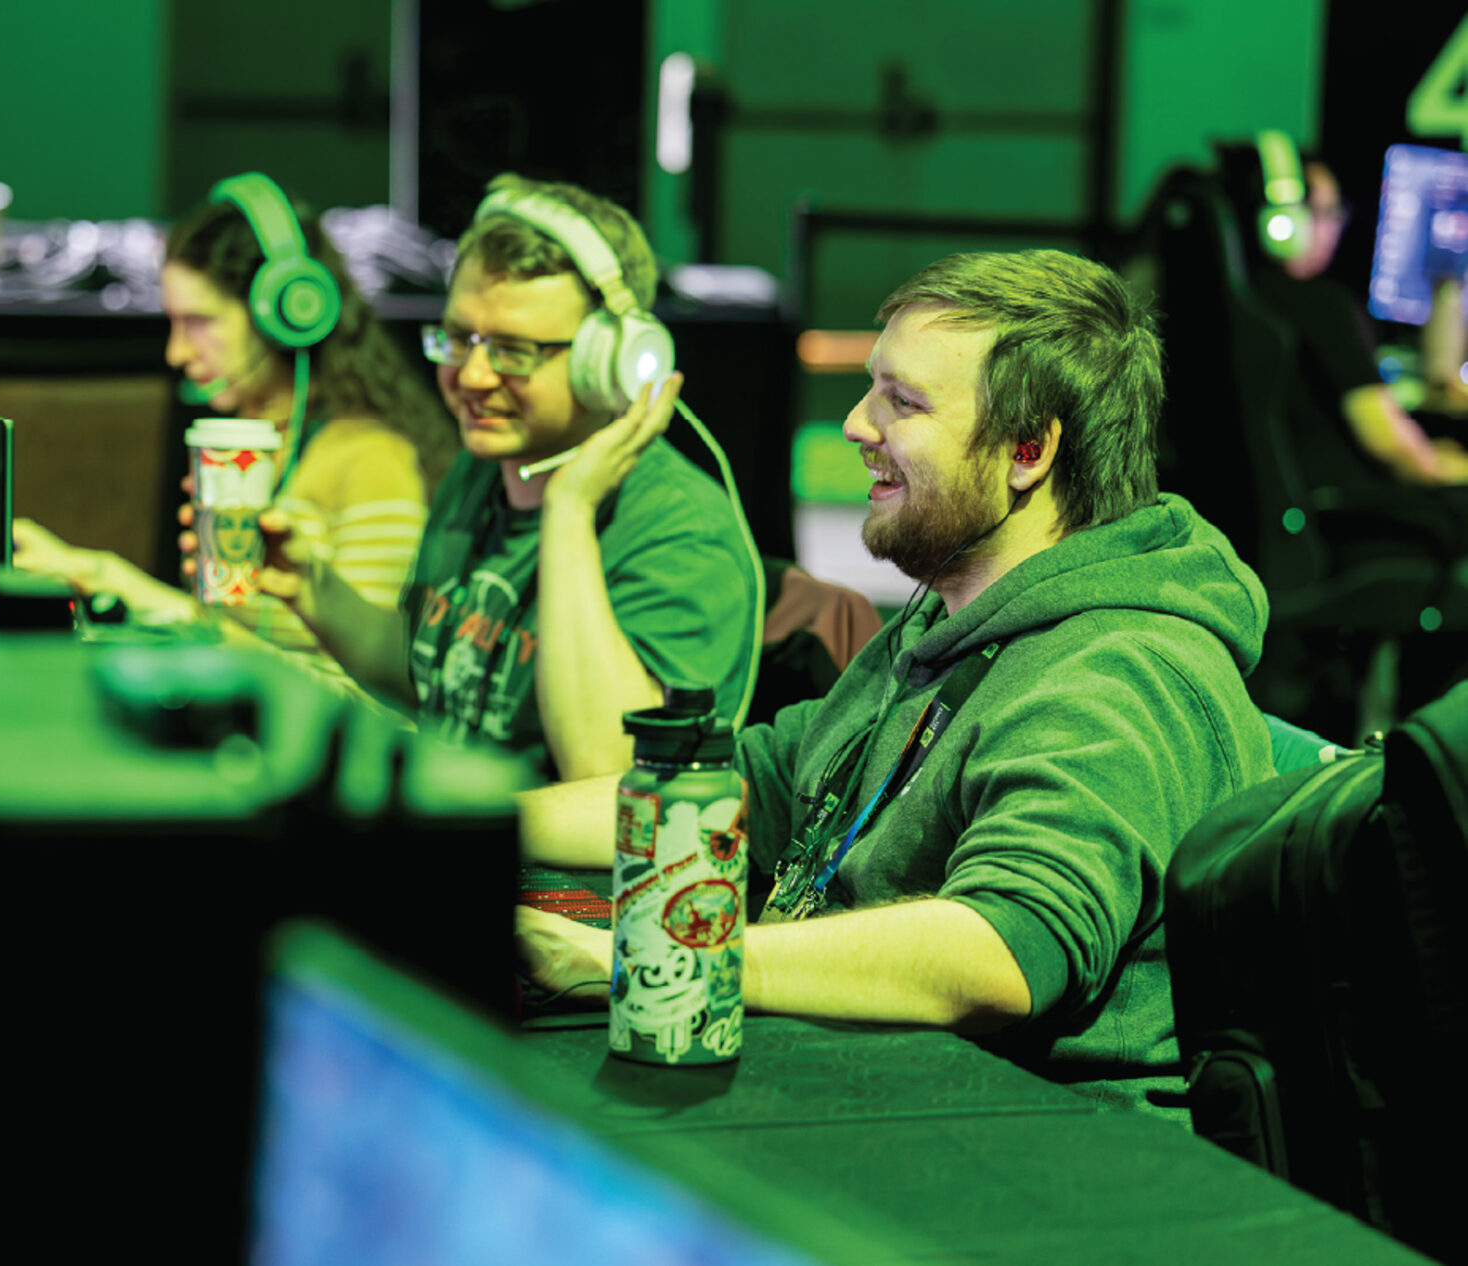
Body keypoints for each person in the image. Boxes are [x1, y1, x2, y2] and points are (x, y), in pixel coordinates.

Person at [515, 250, 1276, 1117]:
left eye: (903, 402)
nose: (856, 424)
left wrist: (665, 958)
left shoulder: (1120, 674)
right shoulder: (948, 619)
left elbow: (1000, 953)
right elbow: (751, 788)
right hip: (894, 1093)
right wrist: (469, 835)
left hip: (1029, 1144)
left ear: (1028, 450)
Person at [256, 174, 759, 782]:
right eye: (460, 338)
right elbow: (437, 675)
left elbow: (611, 780)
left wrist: (569, 512)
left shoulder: (680, 532)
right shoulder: (485, 470)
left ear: (611, 361)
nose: (472, 376)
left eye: (515, 350)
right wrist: (312, 589)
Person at [13, 174, 457, 691]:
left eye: (200, 323)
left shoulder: (372, 460)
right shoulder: (257, 439)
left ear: (289, 312)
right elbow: (231, 638)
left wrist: (113, 580)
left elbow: (374, 697)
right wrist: (86, 573)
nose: (177, 353)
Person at [1230, 145, 1468, 491]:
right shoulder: (1324, 307)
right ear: (1282, 223)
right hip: (1349, 508)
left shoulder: (1235, 298)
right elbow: (1397, 452)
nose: (1335, 226)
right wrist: (1440, 463)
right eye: (1326, 211)